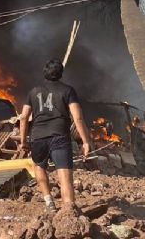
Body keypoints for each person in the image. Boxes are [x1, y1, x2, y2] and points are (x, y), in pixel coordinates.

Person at [19, 59, 92, 212]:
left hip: (37, 137)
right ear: (61, 73)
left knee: (39, 167)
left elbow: (24, 117)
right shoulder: (68, 91)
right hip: (59, 136)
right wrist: (85, 142)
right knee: (64, 176)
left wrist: (23, 141)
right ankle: (69, 212)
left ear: (44, 73)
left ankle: (49, 202)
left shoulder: (33, 92)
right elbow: (77, 118)